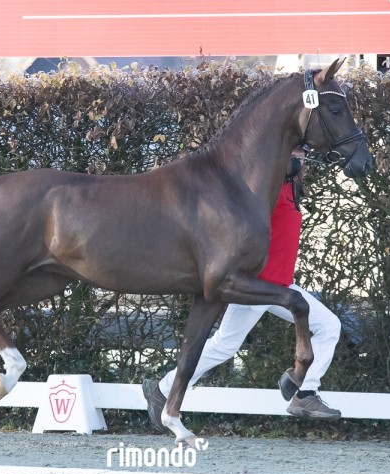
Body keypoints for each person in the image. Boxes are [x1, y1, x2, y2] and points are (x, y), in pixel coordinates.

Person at [143, 148, 342, 432]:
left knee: (329, 326)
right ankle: (162, 389)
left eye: (301, 155)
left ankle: (305, 393)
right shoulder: (266, 192)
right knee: (224, 345)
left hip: (281, 286)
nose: (299, 160)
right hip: (258, 285)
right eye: (294, 154)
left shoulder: (289, 190)